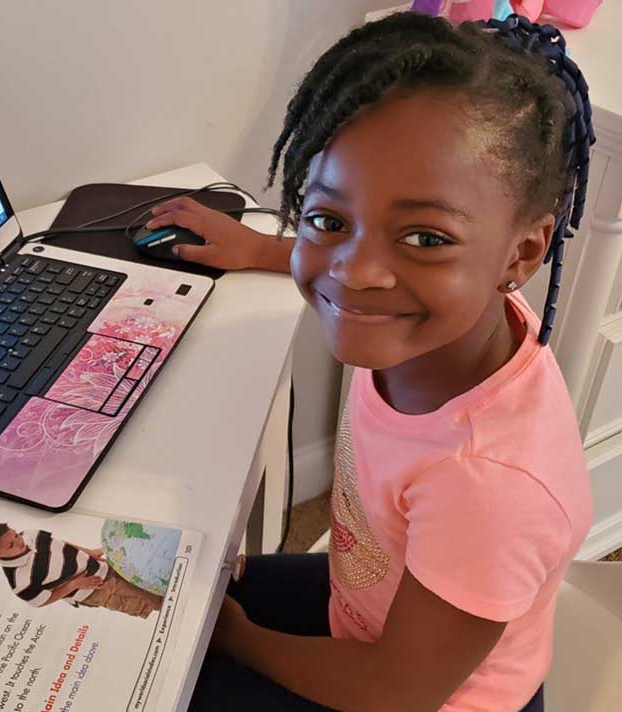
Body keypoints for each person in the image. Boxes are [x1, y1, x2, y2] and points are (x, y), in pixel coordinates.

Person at [158, 13, 594, 712]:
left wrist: (234, 638)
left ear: (520, 254)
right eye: (328, 221)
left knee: (155, 675)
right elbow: (355, 258)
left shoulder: (484, 485)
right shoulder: (431, 327)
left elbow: (395, 691)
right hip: (372, 606)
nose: (355, 274)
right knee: (170, 589)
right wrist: (261, 250)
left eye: (424, 237)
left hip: (416, 691)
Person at [0, 522, 164, 618]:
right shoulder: (21, 582)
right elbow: (42, 601)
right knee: (149, 600)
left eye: (15, 535)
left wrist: (88, 552)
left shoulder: (31, 535)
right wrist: (74, 584)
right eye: (10, 546)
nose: (20, 542)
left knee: (148, 580)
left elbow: (60, 544)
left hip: (102, 567)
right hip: (95, 590)